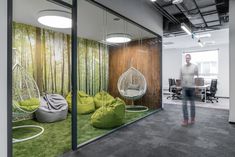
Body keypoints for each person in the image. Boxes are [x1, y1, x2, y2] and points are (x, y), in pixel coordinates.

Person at [180, 54, 198, 126]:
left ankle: (192, 118)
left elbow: (197, 77)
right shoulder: (182, 67)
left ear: (190, 58)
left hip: (192, 88)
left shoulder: (194, 66)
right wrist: (180, 86)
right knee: (184, 104)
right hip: (184, 88)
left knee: (192, 104)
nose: (187, 59)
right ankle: (185, 120)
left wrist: (197, 87)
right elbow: (181, 77)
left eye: (188, 58)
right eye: (186, 58)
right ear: (185, 59)